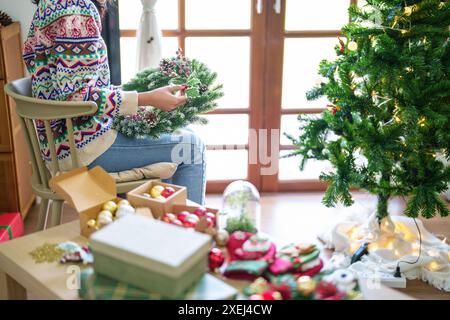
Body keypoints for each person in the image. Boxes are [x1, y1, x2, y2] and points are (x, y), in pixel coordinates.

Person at [24, 0, 206, 204]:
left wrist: (140, 99)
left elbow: (70, 89)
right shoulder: (75, 9)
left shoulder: (51, 4)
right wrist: (147, 98)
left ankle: (164, 226)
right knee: (192, 148)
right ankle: (190, 231)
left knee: (185, 133)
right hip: (82, 150)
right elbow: (76, 98)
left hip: (65, 145)